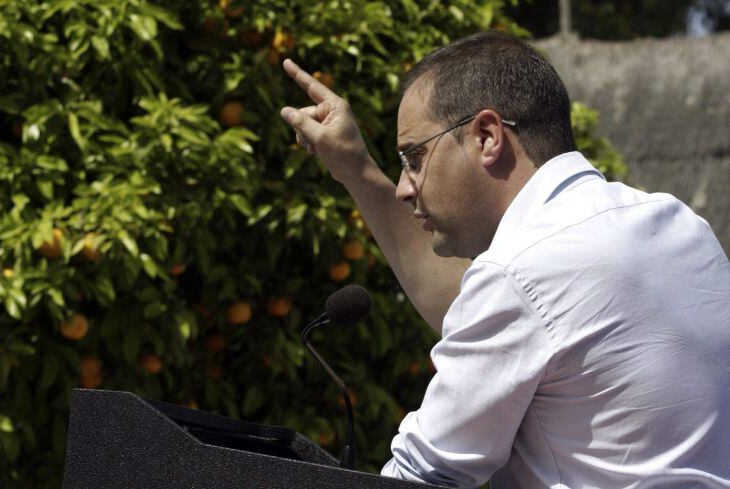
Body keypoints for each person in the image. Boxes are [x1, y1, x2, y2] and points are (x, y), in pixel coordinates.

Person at [280, 31, 730, 488]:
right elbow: (503, 318)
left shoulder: (521, 274)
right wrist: (354, 167)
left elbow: (421, 474)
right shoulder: (680, 225)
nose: (404, 186)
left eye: (414, 156)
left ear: (488, 137)